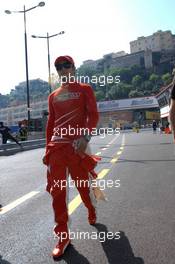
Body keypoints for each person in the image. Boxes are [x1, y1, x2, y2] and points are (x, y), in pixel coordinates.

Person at [43, 55, 99, 258]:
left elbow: (93, 115)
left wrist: (85, 137)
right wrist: (47, 151)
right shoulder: (53, 96)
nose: (62, 69)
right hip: (57, 149)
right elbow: (51, 125)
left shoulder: (85, 89)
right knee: (57, 192)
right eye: (58, 67)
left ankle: (90, 207)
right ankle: (63, 236)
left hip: (78, 147)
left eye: (66, 65)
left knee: (83, 187)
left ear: (74, 68)